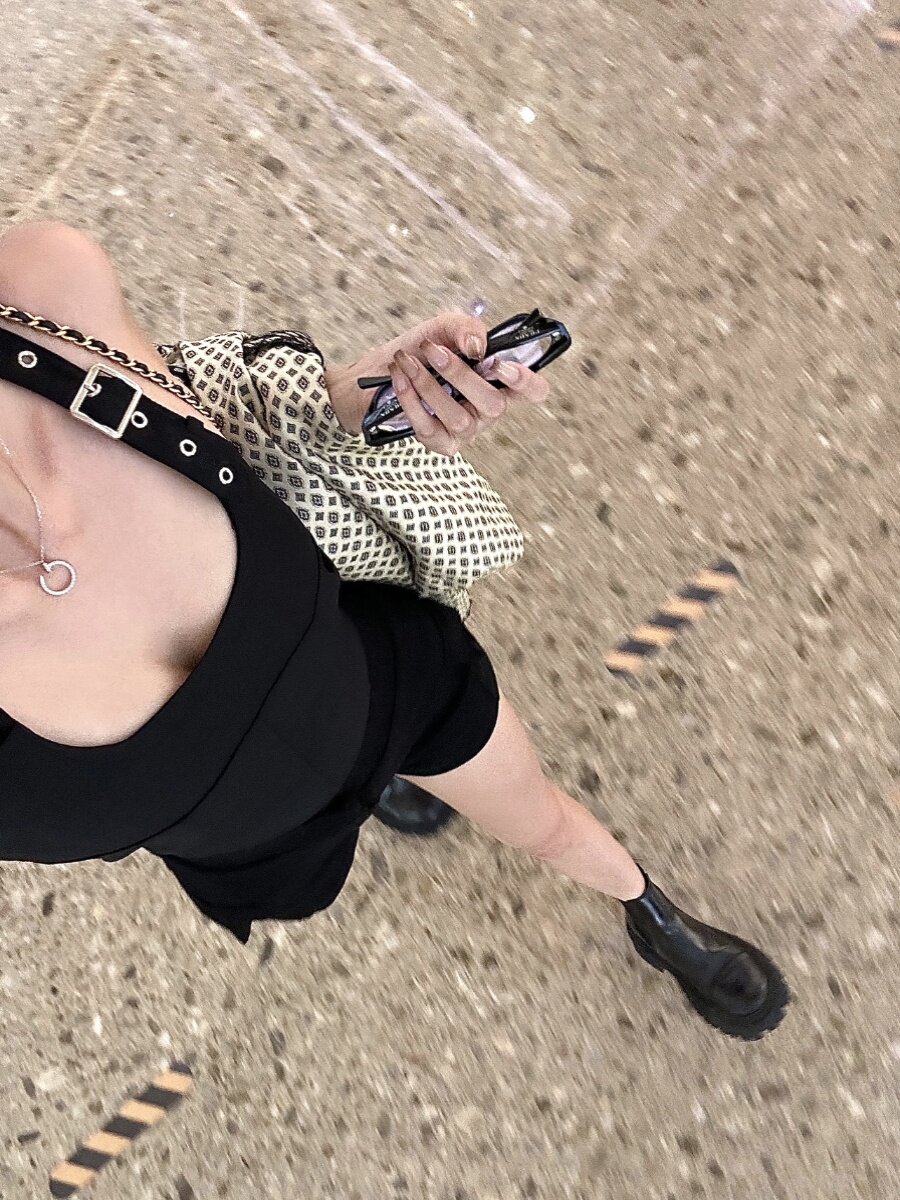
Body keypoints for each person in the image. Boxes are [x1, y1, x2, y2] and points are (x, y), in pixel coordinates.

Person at [0, 220, 789, 1041]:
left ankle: (651, 914)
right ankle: (394, 790)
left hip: (384, 680)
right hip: (262, 837)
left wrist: (369, 395)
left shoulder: (44, 292)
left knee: (547, 822)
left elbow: (228, 415)